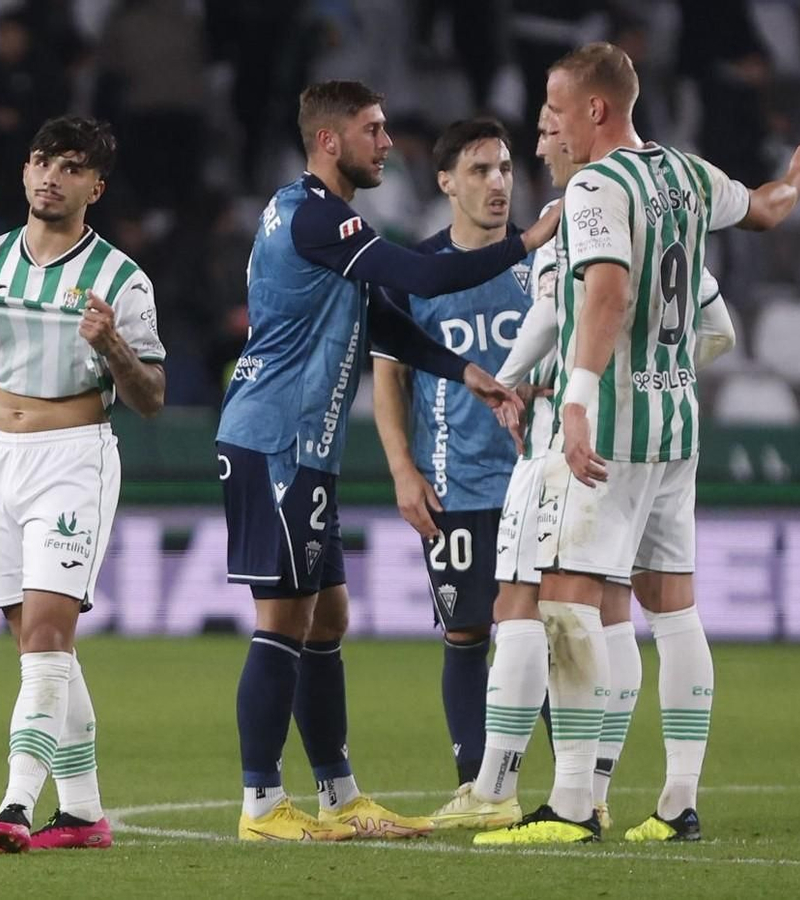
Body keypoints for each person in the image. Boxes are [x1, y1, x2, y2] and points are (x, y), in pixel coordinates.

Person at [474, 42, 800, 846]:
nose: (554, 124)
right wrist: (798, 174)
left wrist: (573, 404)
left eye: (558, 107)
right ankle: (679, 799)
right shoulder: (684, 171)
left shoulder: (597, 188)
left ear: (597, 110)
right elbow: (770, 207)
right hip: (676, 425)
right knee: (673, 611)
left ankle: (573, 804)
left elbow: (604, 295)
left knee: (569, 600)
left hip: (610, 424)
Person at [215, 79, 556, 842]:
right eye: (372, 130)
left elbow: (382, 321)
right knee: (283, 621)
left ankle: (339, 796)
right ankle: (263, 806)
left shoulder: (318, 218)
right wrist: (528, 243)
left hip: (306, 446)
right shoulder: (314, 217)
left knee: (327, 615)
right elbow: (425, 278)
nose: (385, 143)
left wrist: (461, 368)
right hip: (273, 440)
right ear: (329, 140)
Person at [433, 107, 736, 836]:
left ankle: (517, 788)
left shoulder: (586, 212)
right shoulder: (670, 208)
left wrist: (510, 381)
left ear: (584, 125)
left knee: (527, 604)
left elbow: (556, 313)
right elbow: (720, 330)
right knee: (644, 612)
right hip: (664, 435)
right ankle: (660, 796)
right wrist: (659, 379)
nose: (536, 148)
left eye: (545, 130)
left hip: (571, 442)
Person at [0, 116, 166, 854]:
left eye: (68, 167)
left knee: (46, 636)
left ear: (95, 186)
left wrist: (114, 347)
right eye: (40, 162)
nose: (49, 177)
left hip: (74, 456)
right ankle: (86, 813)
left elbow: (153, 396)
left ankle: (15, 804)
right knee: (36, 646)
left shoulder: (122, 280)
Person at [369, 117, 536, 812]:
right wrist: (403, 471)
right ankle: (478, 785)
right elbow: (389, 379)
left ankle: (580, 790)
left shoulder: (539, 268)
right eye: (479, 171)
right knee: (467, 632)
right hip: (457, 482)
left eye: (503, 169)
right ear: (445, 182)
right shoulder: (418, 273)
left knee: (548, 631)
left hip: (538, 479)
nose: (497, 183)